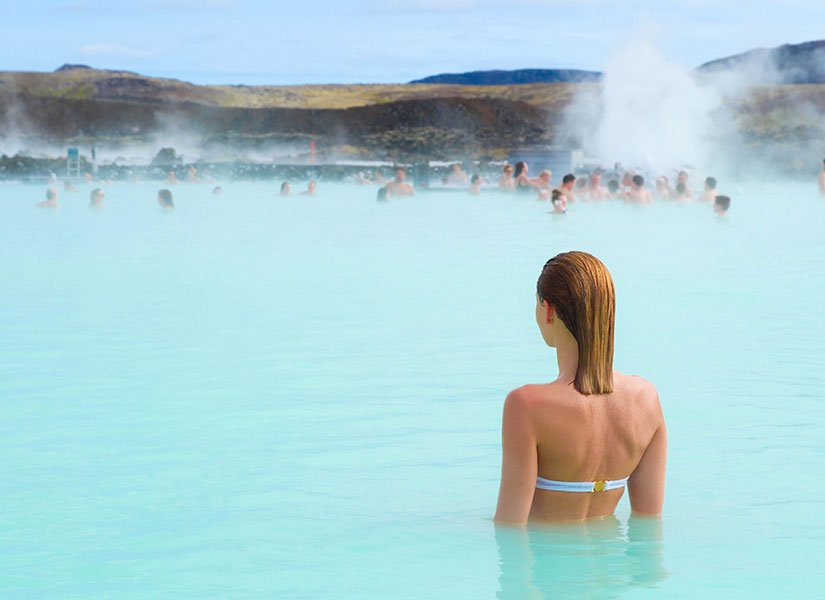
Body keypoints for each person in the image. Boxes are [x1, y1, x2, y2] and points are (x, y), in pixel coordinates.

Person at [494, 252, 666, 523]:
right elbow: (649, 524)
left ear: (547, 309)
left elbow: (509, 527)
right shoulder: (647, 398)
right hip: (611, 565)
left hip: (549, 562)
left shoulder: (526, 405)